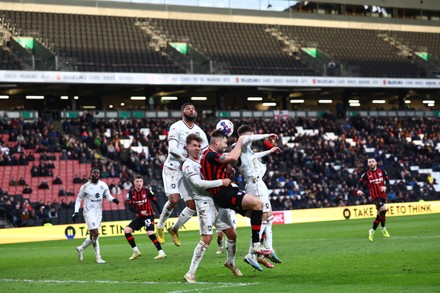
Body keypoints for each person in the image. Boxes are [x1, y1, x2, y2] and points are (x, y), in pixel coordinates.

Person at [200, 129, 274, 267]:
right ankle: (256, 246)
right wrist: (239, 142)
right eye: (224, 142)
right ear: (217, 141)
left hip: (227, 192)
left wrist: (226, 168)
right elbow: (233, 157)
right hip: (223, 193)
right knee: (259, 204)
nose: (226, 144)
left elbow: (227, 160)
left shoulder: (212, 156)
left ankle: (254, 253)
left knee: (260, 216)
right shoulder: (210, 154)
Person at [182, 134, 241, 283]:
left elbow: (214, 168)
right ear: (187, 147)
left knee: (232, 234)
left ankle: (230, 262)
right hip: (204, 203)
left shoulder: (203, 158)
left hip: (216, 200)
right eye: (194, 145)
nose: (196, 148)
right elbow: (198, 184)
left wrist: (226, 169)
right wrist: (221, 181)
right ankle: (190, 272)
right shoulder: (188, 165)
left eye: (198, 146)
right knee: (207, 238)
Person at [156, 102, 208, 246]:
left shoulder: (200, 132)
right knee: (174, 200)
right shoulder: (176, 127)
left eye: (193, 108)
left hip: (187, 171)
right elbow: (172, 150)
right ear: (182, 112)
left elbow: (204, 154)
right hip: (172, 168)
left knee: (192, 205)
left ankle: (174, 229)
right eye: (188, 108)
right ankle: (160, 226)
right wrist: (187, 161)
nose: (191, 110)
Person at [236, 125, 282, 269]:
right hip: (254, 184)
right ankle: (252, 253)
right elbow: (247, 138)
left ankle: (268, 248)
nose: (253, 137)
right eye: (251, 135)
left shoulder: (247, 150)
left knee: (269, 217)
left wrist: (269, 151)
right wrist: (267, 134)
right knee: (263, 217)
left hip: (258, 183)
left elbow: (254, 157)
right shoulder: (239, 145)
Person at [72, 168, 120, 264]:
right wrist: (76, 212)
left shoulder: (103, 185)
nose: (97, 174)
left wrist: (113, 200)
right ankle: (98, 257)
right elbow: (78, 200)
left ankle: (81, 248)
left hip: (98, 213)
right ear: (91, 175)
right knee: (96, 233)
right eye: (95, 173)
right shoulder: (85, 187)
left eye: (98, 173)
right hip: (89, 212)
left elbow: (108, 195)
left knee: (93, 235)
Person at [124, 175, 166, 260]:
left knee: (150, 232)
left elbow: (155, 202)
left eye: (140, 181)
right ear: (134, 183)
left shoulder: (147, 191)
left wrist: (160, 213)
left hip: (149, 215)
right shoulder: (131, 193)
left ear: (143, 182)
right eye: (137, 181)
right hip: (140, 216)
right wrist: (140, 212)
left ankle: (161, 252)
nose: (139, 183)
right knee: (127, 231)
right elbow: (130, 207)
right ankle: (136, 251)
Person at [356, 157, 391, 242]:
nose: (371, 163)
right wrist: (359, 190)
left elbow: (388, 182)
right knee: (383, 209)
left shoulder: (382, 172)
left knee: (380, 215)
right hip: (375, 196)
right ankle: (383, 228)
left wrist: (386, 187)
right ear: (368, 164)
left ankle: (372, 231)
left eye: (372, 161)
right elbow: (359, 183)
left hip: (383, 196)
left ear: (376, 163)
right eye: (369, 162)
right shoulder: (366, 174)